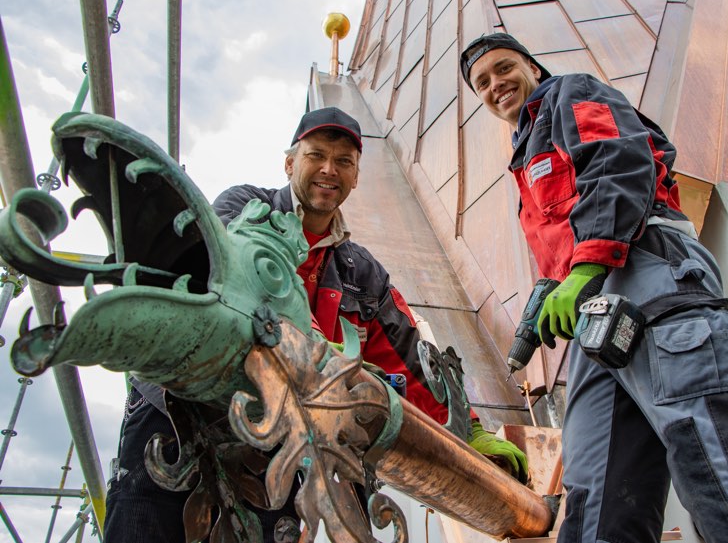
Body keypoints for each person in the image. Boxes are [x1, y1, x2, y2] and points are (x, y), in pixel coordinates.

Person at [460, 33, 728, 543]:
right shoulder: (524, 158)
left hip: (646, 272)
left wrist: (584, 268)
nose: (495, 84)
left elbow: (618, 159)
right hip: (596, 317)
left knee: (715, 448)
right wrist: (558, 284)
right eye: (482, 82)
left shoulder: (569, 93)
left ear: (533, 68)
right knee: (598, 491)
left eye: (504, 68)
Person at [104, 107, 527, 543]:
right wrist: (325, 352)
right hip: (177, 412)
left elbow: (409, 357)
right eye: (316, 156)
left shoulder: (362, 273)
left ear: (356, 176)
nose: (329, 169)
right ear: (290, 163)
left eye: (344, 161)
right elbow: (241, 285)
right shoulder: (245, 208)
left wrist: (469, 432)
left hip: (271, 443)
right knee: (143, 528)